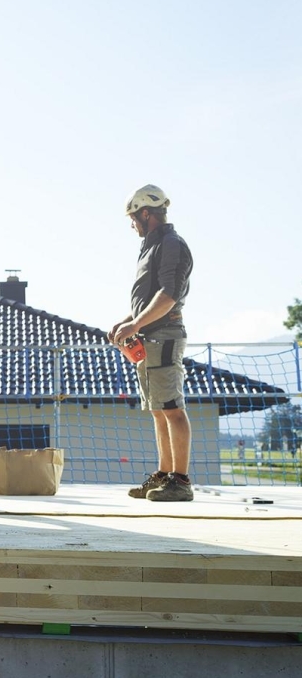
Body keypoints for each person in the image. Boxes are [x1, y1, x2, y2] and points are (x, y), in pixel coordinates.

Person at [109, 184, 195, 503]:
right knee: (158, 410)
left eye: (133, 217)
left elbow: (168, 295)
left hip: (165, 335)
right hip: (150, 335)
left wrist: (135, 323)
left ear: (146, 213)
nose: (132, 223)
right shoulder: (152, 245)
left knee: (172, 408)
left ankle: (181, 481)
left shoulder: (171, 244)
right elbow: (150, 297)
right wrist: (127, 321)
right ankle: (163, 476)